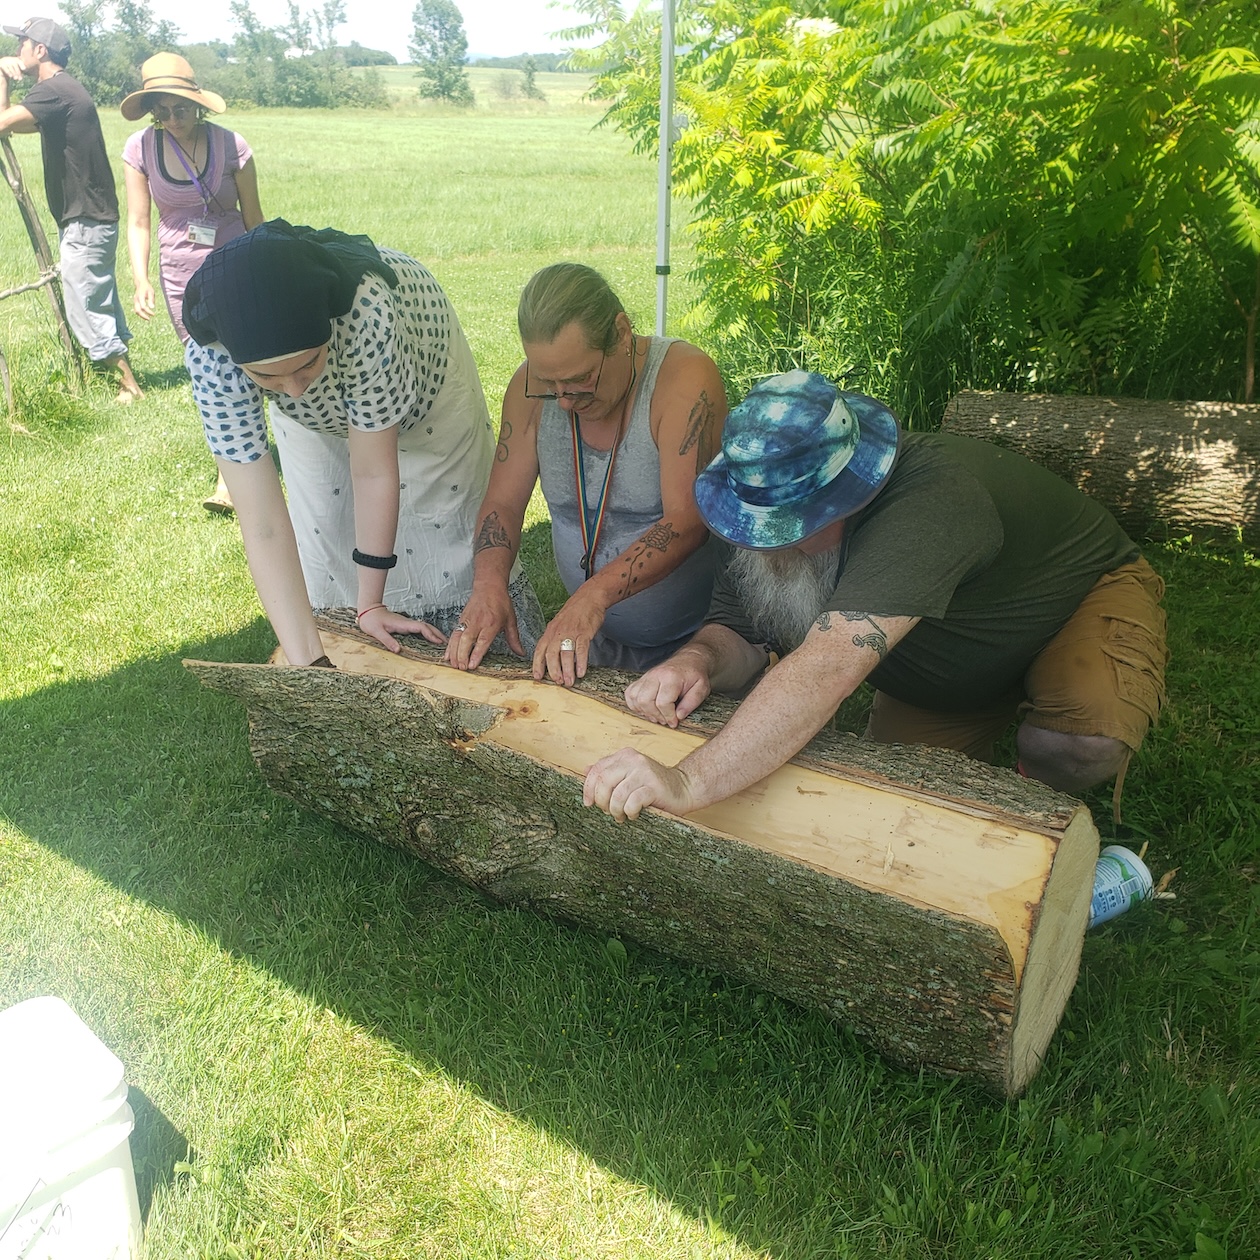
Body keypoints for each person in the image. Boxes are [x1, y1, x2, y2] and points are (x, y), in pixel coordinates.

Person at [583, 369, 1168, 822]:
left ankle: (1040, 795)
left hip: (1071, 607)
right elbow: (740, 626)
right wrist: (696, 660)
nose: (771, 544)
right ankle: (982, 713)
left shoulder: (931, 502)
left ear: (848, 491)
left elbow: (830, 664)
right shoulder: (757, 498)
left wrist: (686, 782)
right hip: (947, 656)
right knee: (886, 803)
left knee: (1072, 744)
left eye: (792, 524)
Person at [182, 219, 545, 669]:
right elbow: (263, 522)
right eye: (266, 378)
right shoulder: (211, 357)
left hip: (423, 380)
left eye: (306, 363)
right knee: (325, 527)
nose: (294, 389)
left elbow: (373, 471)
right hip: (318, 417)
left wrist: (371, 602)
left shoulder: (366, 310)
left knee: (446, 522)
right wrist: (309, 665)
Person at [446, 262, 727, 685]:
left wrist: (591, 596)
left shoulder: (683, 379)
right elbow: (502, 503)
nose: (563, 402)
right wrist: (488, 583)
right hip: (593, 640)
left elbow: (687, 521)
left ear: (621, 333)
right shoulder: (529, 390)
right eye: (549, 383)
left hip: (698, 645)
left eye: (581, 380)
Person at [120, 52, 263, 514]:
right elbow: (138, 221)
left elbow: (254, 216)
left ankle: (232, 476)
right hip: (181, 275)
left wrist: (267, 268)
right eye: (160, 110)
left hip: (237, 263)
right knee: (205, 366)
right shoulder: (140, 149)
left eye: (179, 108)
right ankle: (231, 467)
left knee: (243, 362)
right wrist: (140, 277)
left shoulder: (232, 146)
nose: (171, 118)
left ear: (196, 103)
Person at [0, 16, 142, 401]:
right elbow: (13, 126)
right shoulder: (63, 92)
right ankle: (120, 369)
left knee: (85, 300)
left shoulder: (54, 90)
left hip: (85, 218)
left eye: (22, 45)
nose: (16, 52)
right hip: (92, 215)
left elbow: (0, 123)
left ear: (40, 51)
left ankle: (128, 383)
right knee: (98, 294)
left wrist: (3, 77)